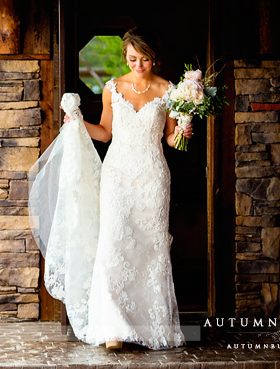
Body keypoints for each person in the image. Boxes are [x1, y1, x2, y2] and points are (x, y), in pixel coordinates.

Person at [62, 27, 191, 350]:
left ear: (154, 58)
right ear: (125, 57)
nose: (138, 65)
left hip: (152, 177)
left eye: (144, 59)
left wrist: (185, 131)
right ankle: (113, 330)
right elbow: (105, 133)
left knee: (150, 248)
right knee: (114, 243)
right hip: (117, 176)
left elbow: (170, 139)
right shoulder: (112, 88)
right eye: (132, 59)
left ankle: (149, 327)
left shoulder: (169, 91)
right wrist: (77, 122)